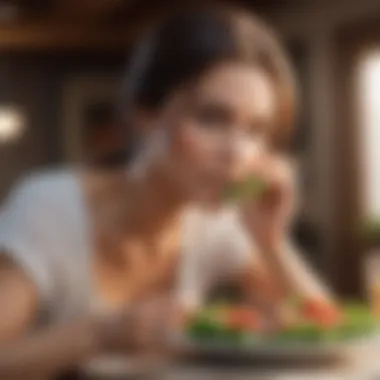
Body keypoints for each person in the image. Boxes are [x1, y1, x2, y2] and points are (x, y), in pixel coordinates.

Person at [0, 5, 335, 379]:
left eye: (255, 130)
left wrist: (271, 242)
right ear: (145, 114)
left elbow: (330, 340)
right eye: (212, 118)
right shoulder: (49, 207)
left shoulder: (218, 222)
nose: (238, 153)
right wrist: (100, 333)